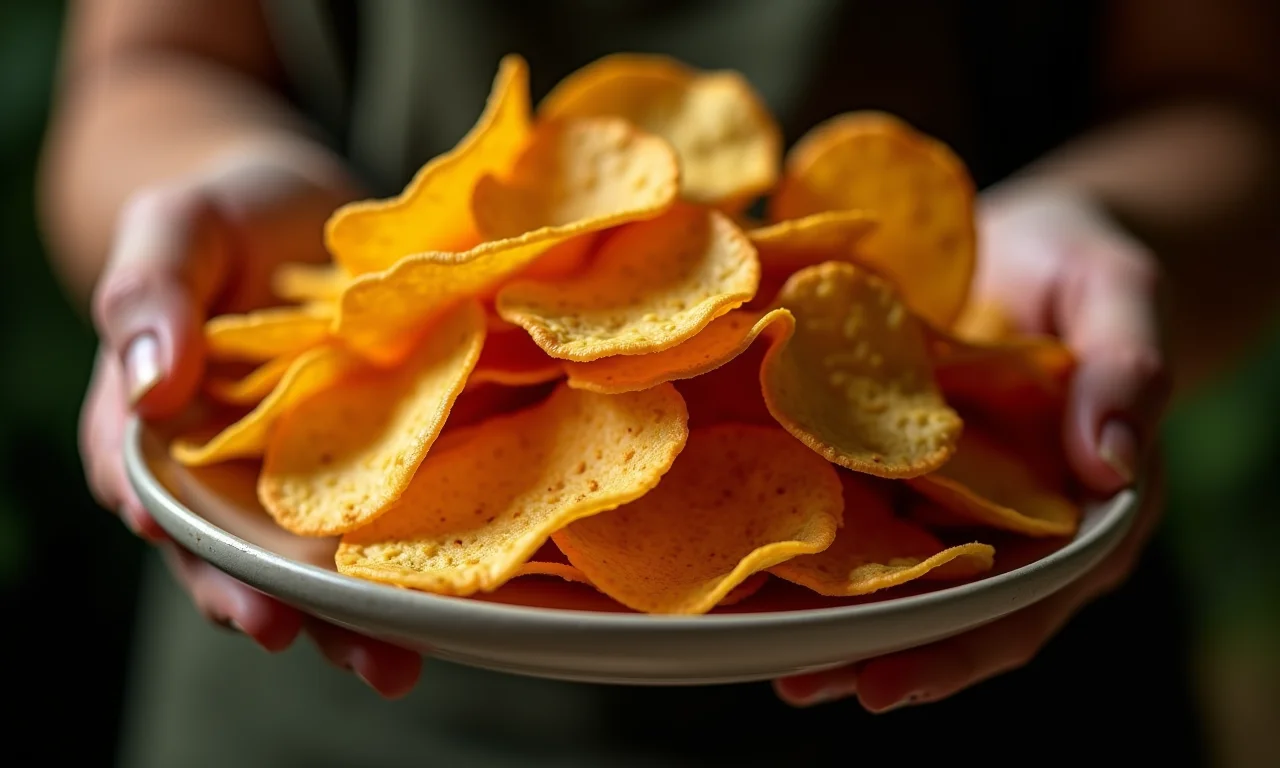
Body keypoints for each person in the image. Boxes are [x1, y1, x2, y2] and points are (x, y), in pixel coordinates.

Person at [37, 0, 1279, 765]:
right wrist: (205, 194)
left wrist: (1108, 232)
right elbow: (148, 67)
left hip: (1004, 686)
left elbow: (1222, 102)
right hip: (315, 683)